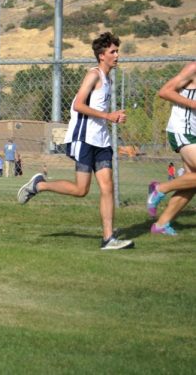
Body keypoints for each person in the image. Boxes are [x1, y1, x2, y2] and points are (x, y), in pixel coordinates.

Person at [17, 32, 133, 250]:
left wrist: (113, 117)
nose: (117, 55)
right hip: (84, 138)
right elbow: (78, 104)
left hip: (102, 141)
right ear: (101, 56)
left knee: (108, 187)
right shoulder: (94, 75)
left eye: (117, 51)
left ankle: (108, 238)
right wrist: (109, 116)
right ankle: (39, 185)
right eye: (113, 52)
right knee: (82, 190)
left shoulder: (108, 79)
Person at [146, 61, 196, 235]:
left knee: (192, 182)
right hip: (182, 129)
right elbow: (165, 91)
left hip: (194, 132)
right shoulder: (193, 68)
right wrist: (193, 104)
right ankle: (159, 189)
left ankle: (161, 225)